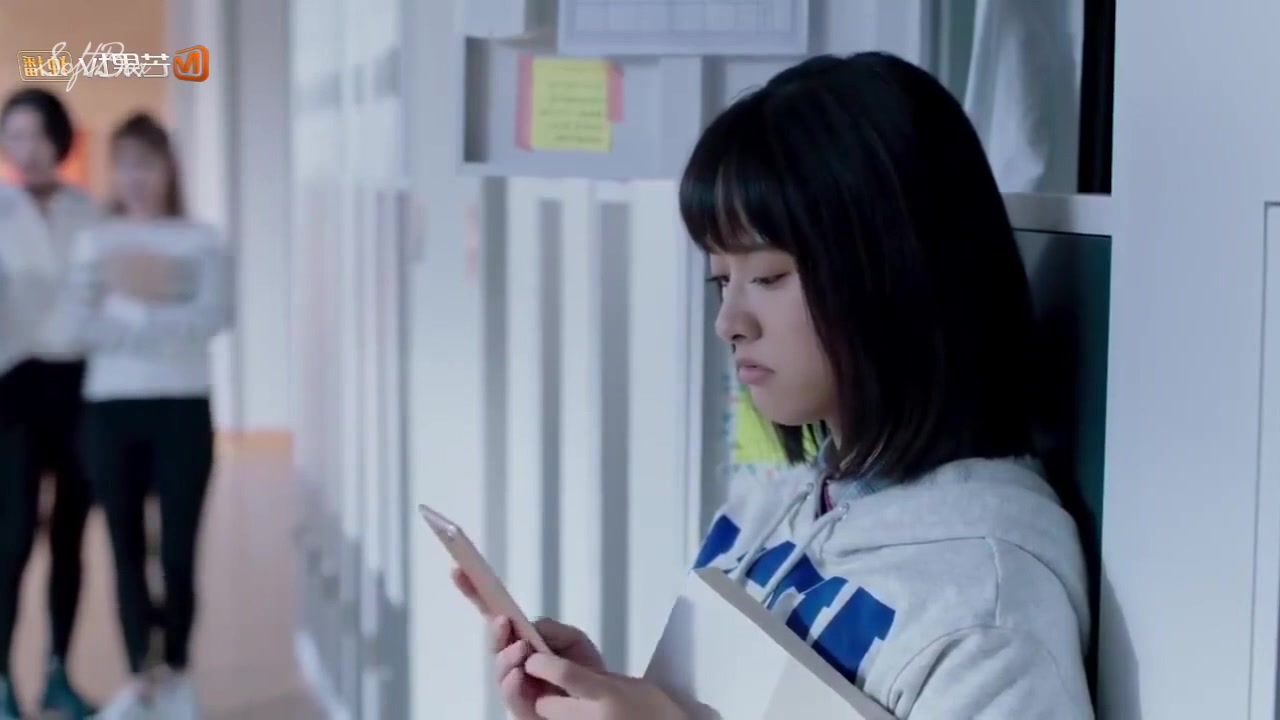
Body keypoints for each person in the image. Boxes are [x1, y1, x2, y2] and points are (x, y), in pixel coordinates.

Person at [454, 52, 1094, 719]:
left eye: (768, 277)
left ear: (895, 273)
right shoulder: (780, 507)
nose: (729, 322)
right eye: (721, 280)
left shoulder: (990, 611)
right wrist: (612, 700)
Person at [70, 112, 233, 719]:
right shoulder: (95, 241)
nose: (136, 178)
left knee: (180, 551)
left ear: (169, 169)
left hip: (182, 407)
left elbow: (213, 316)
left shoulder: (201, 240)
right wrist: (162, 305)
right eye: (125, 165)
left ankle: (179, 673)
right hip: (110, 410)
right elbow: (79, 323)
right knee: (125, 548)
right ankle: (140, 677)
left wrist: (131, 308)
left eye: (147, 164)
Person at [0, 87, 101, 720]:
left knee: (70, 537)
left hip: (80, 386)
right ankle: (1, 682)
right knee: (11, 537)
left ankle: (59, 672)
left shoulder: (90, 213)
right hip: (12, 389)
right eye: (14, 136)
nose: (27, 149)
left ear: (60, 140)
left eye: (37, 135)